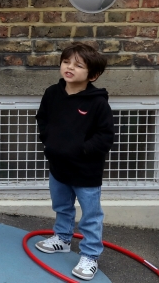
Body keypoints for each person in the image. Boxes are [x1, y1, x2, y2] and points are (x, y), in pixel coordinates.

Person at [34, 43, 115, 281]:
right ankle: (63, 238)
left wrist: (82, 150)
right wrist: (49, 142)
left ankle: (90, 255)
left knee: (90, 215)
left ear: (92, 75)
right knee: (62, 206)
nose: (70, 67)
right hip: (58, 166)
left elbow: (105, 136)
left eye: (78, 65)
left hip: (86, 170)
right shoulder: (52, 93)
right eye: (67, 62)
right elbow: (43, 118)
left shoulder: (97, 103)